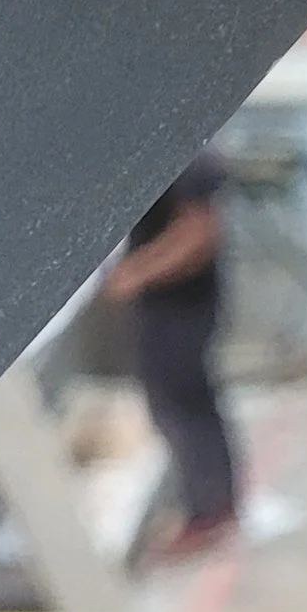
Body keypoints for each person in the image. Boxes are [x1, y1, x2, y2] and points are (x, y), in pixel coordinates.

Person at [107, 149, 239, 559]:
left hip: (182, 306)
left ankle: (209, 512)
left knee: (181, 406)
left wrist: (137, 272)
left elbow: (199, 233)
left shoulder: (185, 158)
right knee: (186, 403)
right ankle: (214, 505)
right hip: (172, 305)